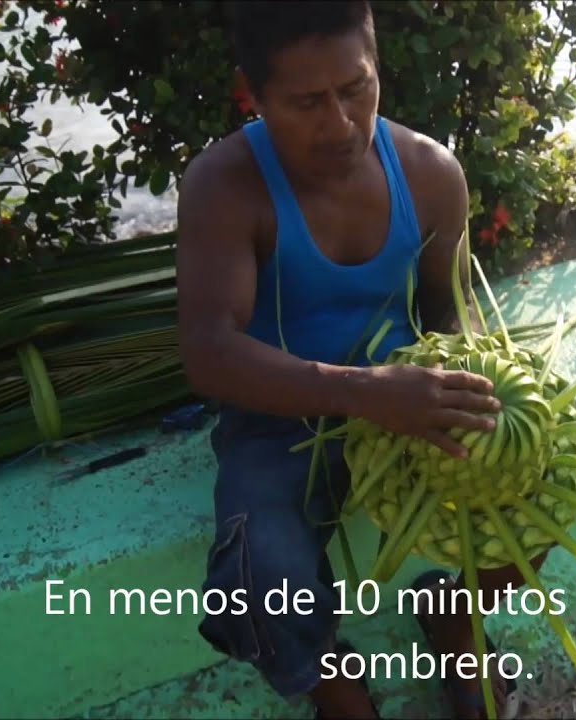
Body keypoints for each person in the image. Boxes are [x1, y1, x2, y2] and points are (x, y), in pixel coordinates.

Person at [176, 2, 547, 718]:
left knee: (547, 476)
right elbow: (212, 354)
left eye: (356, 89)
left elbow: (448, 307)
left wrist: (479, 375)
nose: (341, 123)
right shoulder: (226, 185)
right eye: (308, 102)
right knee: (259, 575)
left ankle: (455, 620)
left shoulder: (431, 172)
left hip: (407, 407)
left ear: (378, 69)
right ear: (253, 95)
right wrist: (366, 392)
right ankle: (340, 696)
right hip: (278, 419)